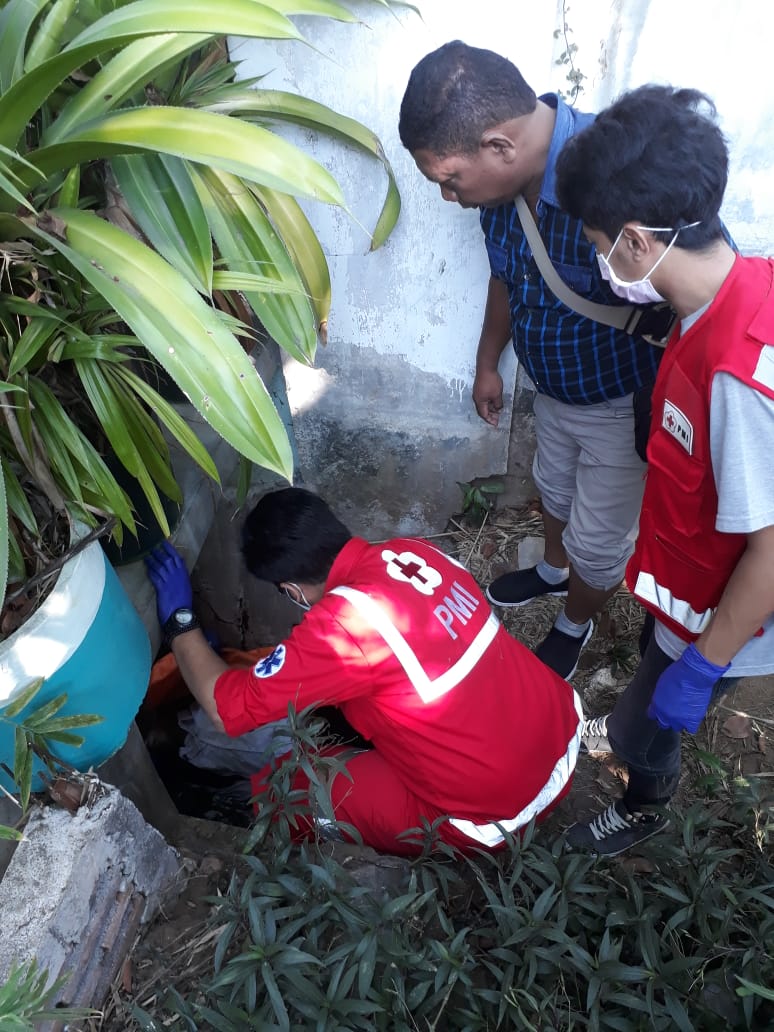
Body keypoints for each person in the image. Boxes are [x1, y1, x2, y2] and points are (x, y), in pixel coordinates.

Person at [399, 41, 666, 680]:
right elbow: (509, 278)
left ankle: (576, 622)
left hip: (620, 397)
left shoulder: (628, 173)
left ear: (498, 146)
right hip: (552, 388)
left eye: (449, 180)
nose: (449, 198)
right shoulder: (502, 192)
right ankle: (552, 571)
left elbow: (698, 296)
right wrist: (489, 360)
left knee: (600, 546)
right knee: (552, 488)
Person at [554, 83, 774, 855]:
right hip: (685, 583)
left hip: (719, 612)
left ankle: (642, 800)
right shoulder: (730, 295)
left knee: (641, 726)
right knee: (650, 679)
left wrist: (703, 666)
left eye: (595, 241)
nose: (596, 258)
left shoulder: (738, 380)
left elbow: (771, 554)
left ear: (639, 242)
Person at [145, 487, 583, 856]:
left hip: (497, 812)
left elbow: (225, 708)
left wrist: (182, 623)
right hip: (559, 734)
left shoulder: (342, 629)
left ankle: (225, 810)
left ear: (291, 589)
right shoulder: (412, 552)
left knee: (291, 787)